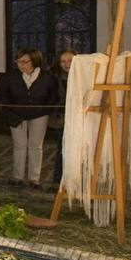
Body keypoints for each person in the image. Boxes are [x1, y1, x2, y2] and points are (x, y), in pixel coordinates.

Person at [0, 48, 61, 189]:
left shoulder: (47, 77)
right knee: (19, 145)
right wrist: (13, 110)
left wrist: (44, 110)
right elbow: (4, 95)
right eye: (18, 61)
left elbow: (53, 96)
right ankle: (17, 177)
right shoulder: (11, 76)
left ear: (34, 60)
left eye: (25, 61)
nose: (21, 65)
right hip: (16, 115)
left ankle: (34, 179)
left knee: (36, 146)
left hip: (39, 115)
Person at [51, 49, 76, 189]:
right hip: (62, 117)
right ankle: (58, 180)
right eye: (63, 61)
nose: (67, 64)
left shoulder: (83, 76)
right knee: (61, 148)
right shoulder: (56, 78)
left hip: (79, 118)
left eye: (70, 60)